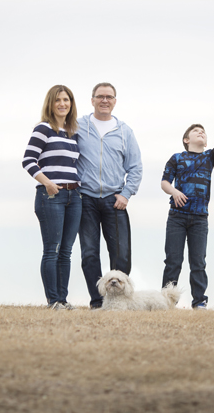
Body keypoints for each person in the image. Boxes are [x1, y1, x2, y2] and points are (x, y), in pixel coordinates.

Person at [161, 99, 214, 309]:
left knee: (198, 263)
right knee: (173, 262)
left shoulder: (209, 157)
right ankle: (167, 302)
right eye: (196, 131)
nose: (201, 133)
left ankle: (199, 303)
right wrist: (175, 191)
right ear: (186, 139)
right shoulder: (177, 158)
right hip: (177, 217)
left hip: (199, 219)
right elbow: (164, 183)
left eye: (203, 131)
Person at [76, 82, 143, 309]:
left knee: (121, 254)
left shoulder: (124, 131)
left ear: (115, 101)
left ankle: (119, 304)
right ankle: (97, 303)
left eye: (109, 97)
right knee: (89, 254)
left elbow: (135, 167)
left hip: (115, 200)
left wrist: (126, 194)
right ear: (92, 99)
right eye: (100, 96)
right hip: (85, 199)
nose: (105, 100)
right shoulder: (78, 126)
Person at [22, 85, 82, 311]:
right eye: (58, 100)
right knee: (52, 250)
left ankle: (63, 300)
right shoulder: (43, 129)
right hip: (51, 196)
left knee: (66, 251)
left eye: (66, 100)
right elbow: (28, 160)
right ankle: (53, 301)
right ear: (51, 103)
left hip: (74, 196)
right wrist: (47, 183)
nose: (62, 104)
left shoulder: (72, 133)